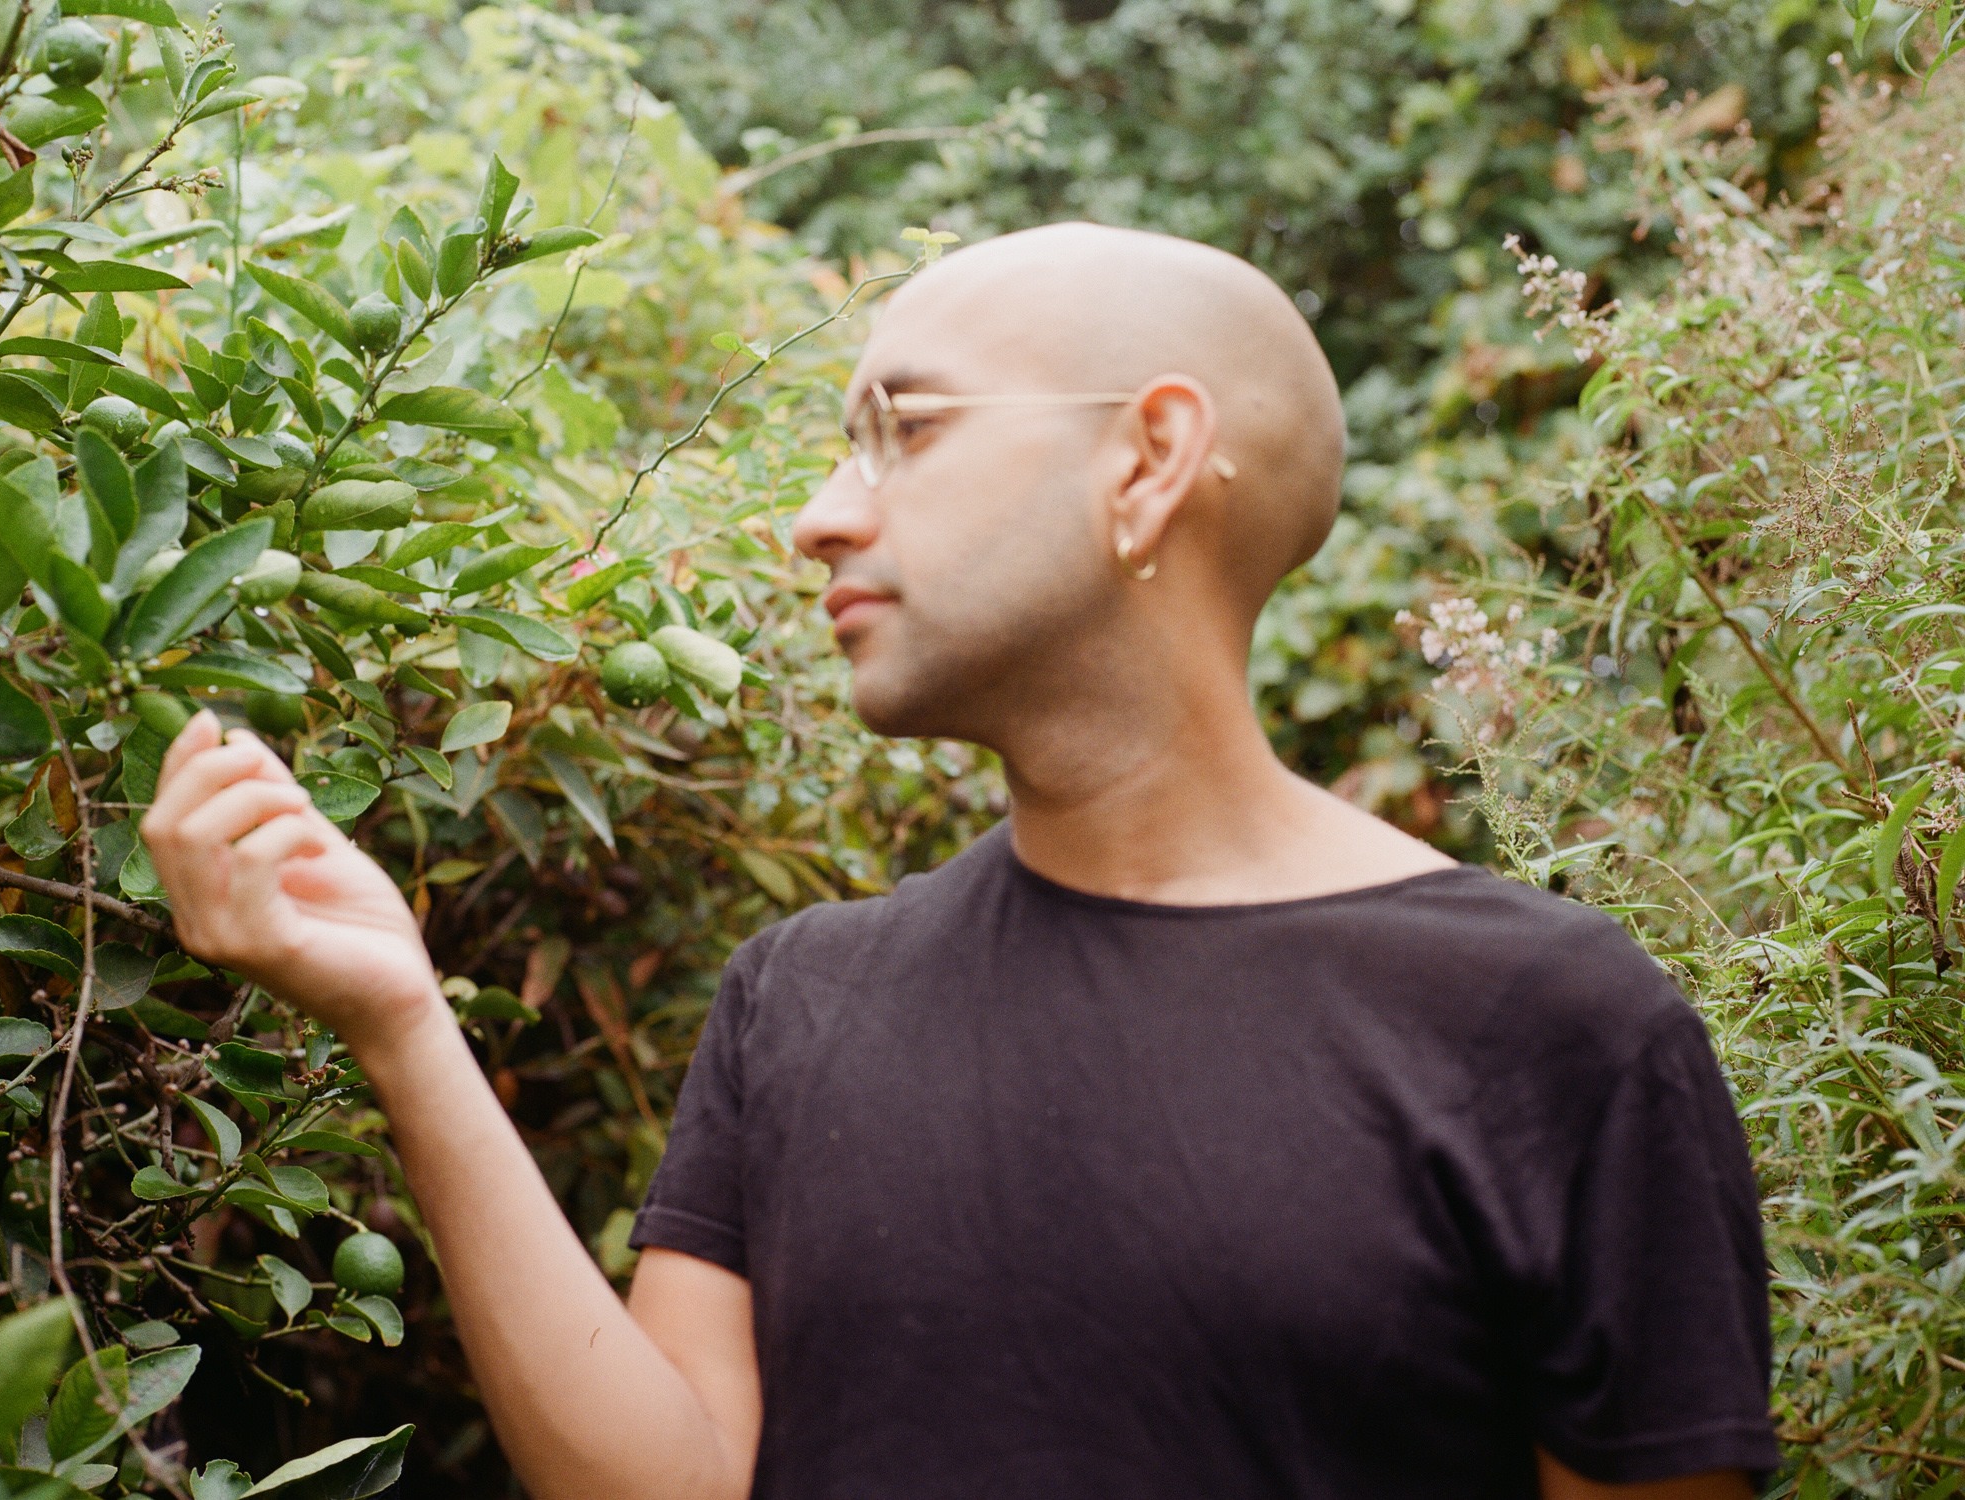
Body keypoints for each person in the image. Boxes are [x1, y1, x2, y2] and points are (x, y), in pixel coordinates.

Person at [142, 222, 1780, 1500]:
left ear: (1147, 460)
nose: (817, 517)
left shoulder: (1554, 1029)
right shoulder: (804, 998)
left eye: (898, 432)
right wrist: (400, 1024)